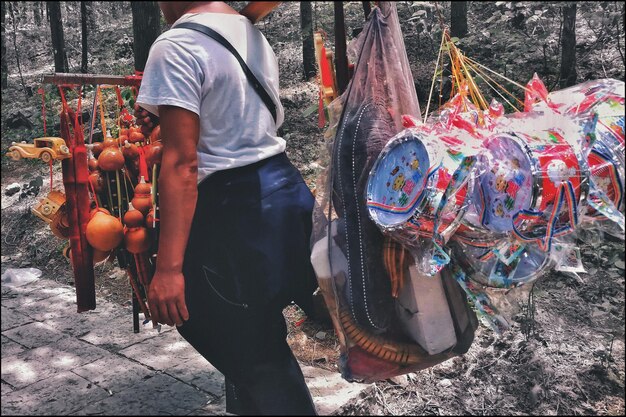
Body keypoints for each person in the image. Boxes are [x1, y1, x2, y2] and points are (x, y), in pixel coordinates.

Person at [134, 2, 318, 415]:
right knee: (257, 330)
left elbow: (182, 165)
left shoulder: (176, 44)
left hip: (233, 216)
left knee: (250, 350)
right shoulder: (247, 31)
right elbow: (233, 120)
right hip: (284, 198)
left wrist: (168, 269)